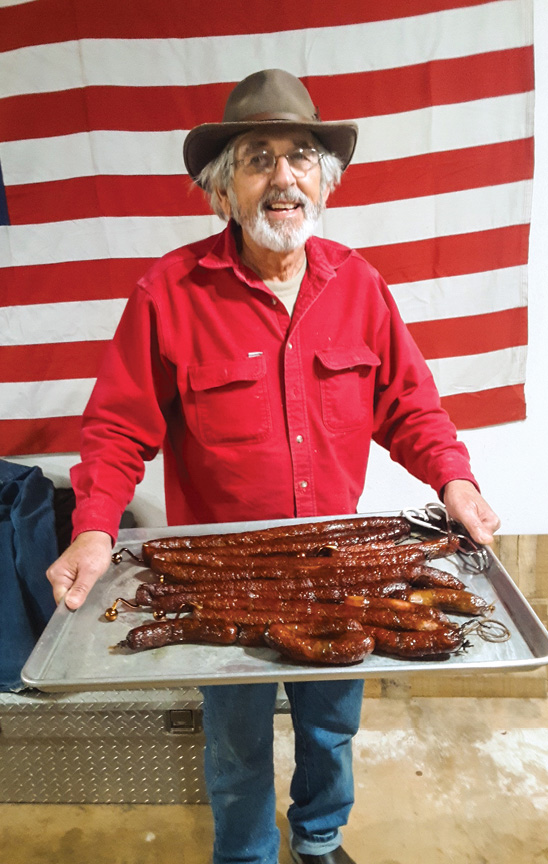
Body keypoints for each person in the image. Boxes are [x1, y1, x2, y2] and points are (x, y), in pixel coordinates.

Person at [47, 69, 500, 864]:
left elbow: (411, 407)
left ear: (325, 182)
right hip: (223, 573)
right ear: (223, 191)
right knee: (235, 745)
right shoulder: (168, 292)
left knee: (332, 727)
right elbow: (117, 430)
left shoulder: (360, 286)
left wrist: (454, 480)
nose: (283, 177)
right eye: (258, 159)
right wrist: (93, 529)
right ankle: (248, 856)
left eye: (301, 157)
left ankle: (319, 841)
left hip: (342, 566)